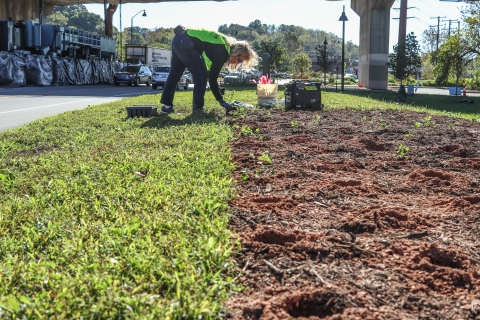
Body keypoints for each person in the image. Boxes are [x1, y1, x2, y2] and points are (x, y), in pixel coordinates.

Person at [160, 25, 258, 115]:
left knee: (175, 75)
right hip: (186, 42)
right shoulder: (223, 52)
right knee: (200, 75)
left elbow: (208, 70)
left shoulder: (222, 44)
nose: (237, 63)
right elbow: (212, 78)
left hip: (178, 40)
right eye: (240, 60)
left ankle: (166, 107)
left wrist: (217, 89)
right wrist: (221, 100)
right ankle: (198, 109)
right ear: (237, 52)